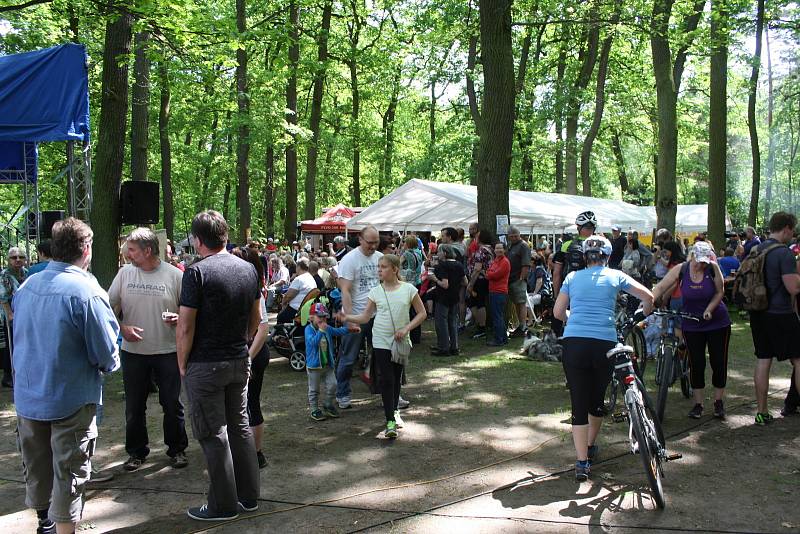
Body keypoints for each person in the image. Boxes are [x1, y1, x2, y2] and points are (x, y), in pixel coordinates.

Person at [13, 217, 120, 534]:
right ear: (86, 249)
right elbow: (106, 354)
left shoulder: (27, 285)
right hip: (70, 399)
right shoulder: (86, 292)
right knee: (70, 470)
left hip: (29, 396)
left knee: (38, 465)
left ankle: (45, 523)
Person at [177, 210, 261, 521]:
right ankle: (249, 497)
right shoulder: (249, 269)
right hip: (238, 359)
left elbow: (185, 326)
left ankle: (222, 505)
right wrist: (241, 342)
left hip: (206, 363)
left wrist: (182, 363)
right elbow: (255, 318)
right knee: (239, 428)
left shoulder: (196, 272)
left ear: (198, 241)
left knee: (213, 433)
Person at [553, 235, 654, 481]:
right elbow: (648, 296)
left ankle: (581, 463)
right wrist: (644, 312)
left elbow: (558, 312)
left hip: (574, 343)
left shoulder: (572, 277)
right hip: (605, 343)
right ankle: (590, 446)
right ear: (608, 256)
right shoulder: (615, 276)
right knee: (596, 399)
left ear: (585, 256)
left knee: (578, 401)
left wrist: (573, 318)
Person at [108, 228, 188, 471]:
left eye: (131, 250)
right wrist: (122, 329)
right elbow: (107, 307)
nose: (127, 254)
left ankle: (177, 450)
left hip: (168, 350)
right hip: (133, 353)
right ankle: (136, 452)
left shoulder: (175, 275)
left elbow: (190, 311)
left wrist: (179, 318)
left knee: (172, 404)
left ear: (148, 250)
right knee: (134, 406)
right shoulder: (124, 275)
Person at [339, 254, 426, 438]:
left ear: (394, 269)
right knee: (386, 379)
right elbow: (365, 317)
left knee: (395, 377)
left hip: (400, 340)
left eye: (383, 267)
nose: (379, 270)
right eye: (378, 267)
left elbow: (422, 313)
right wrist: (347, 317)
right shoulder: (375, 292)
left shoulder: (409, 289)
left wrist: (406, 328)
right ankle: (390, 422)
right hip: (380, 339)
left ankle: (395, 411)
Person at [653, 240, 731, 418]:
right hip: (691, 323)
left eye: (706, 260)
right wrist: (649, 302)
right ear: (693, 255)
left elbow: (720, 291)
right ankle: (698, 403)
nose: (702, 264)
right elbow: (661, 287)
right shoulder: (681, 269)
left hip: (717, 322)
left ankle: (718, 402)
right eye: (699, 260)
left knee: (718, 361)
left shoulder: (712, 268)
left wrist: (709, 309)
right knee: (696, 363)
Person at [748, 212, 800, 425]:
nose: (793, 234)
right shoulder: (784, 254)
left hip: (758, 312)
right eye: (792, 230)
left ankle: (762, 411)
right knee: (799, 359)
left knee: (763, 359)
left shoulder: (755, 249)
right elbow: (792, 287)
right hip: (781, 314)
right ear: (786, 228)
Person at [231, 247, 271, 469]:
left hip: (251, 353)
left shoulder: (253, 290)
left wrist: (247, 357)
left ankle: (256, 453)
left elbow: (263, 329)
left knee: (250, 403)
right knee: (242, 404)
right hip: (244, 353)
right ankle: (248, 452)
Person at [335, 226, 383, 409]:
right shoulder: (349, 260)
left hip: (379, 315)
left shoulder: (380, 258)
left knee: (383, 356)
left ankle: (387, 393)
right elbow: (345, 291)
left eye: (376, 242)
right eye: (370, 242)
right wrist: (350, 318)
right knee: (348, 357)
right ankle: (343, 393)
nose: (373, 246)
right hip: (357, 314)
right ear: (360, 239)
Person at [552, 211, 597, 336]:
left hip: (568, 291)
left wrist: (556, 295)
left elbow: (557, 273)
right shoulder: (599, 245)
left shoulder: (566, 245)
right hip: (591, 293)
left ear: (578, 227)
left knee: (561, 323)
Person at [305, 303, 351, 421]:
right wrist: (320, 331)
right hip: (314, 366)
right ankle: (314, 409)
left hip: (327, 364)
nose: (322, 319)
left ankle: (328, 404)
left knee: (333, 384)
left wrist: (349, 329)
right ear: (311, 317)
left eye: (324, 317)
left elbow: (337, 331)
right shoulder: (308, 330)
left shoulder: (326, 328)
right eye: (319, 317)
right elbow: (313, 343)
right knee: (314, 389)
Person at [429, 244, 467, 356]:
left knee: (442, 323)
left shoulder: (443, 265)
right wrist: (456, 285)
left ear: (444, 253)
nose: (437, 254)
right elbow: (465, 282)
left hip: (443, 297)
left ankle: (444, 348)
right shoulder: (459, 264)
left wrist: (434, 279)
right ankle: (454, 347)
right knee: (453, 322)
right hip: (455, 297)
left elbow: (445, 284)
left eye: (439, 252)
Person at [1, 245, 28, 388]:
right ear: (8, 260)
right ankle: (8, 376)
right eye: (14, 257)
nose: (18, 260)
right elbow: (3, 297)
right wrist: (10, 315)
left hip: (23, 313)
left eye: (21, 257)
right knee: (11, 344)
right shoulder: (5, 275)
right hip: (9, 314)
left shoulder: (26, 272)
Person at [466, 229, 495, 339]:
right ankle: (480, 325)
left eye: (477, 237)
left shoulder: (482, 250)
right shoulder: (490, 249)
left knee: (478, 302)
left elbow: (477, 268)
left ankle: (481, 327)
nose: (475, 239)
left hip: (480, 280)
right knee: (475, 302)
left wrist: (471, 284)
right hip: (484, 280)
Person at [506, 226, 531, 337]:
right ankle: (519, 326)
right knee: (516, 302)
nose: (514, 238)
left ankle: (523, 326)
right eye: (511, 236)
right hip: (510, 279)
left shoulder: (523, 246)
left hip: (518, 279)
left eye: (515, 236)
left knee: (521, 303)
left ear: (519, 234)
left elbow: (526, 264)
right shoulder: (511, 245)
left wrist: (521, 278)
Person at [276, 257, 317, 324]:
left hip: (295, 310)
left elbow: (288, 297)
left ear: (298, 267)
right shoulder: (311, 278)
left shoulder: (299, 279)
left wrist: (283, 305)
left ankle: (280, 334)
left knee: (280, 317)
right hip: (305, 310)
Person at [486, 241, 511, 347]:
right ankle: (503, 338)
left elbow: (494, 275)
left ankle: (498, 339)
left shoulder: (505, 262)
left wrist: (489, 274)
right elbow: (490, 272)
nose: (498, 250)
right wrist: (490, 273)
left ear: (504, 250)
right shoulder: (495, 260)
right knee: (498, 316)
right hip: (493, 291)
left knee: (497, 317)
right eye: (497, 248)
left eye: (500, 248)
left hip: (499, 292)